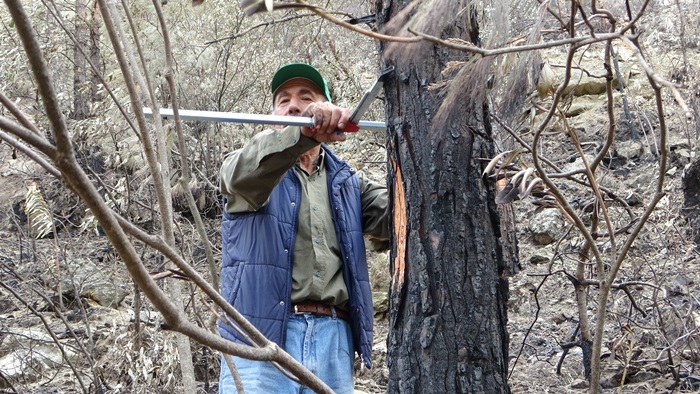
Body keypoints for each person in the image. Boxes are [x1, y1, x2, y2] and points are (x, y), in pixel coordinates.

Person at [218, 63, 390, 393]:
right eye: (283, 99)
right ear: (272, 114)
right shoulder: (249, 166)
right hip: (257, 340)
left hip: (333, 341)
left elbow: (400, 216)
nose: (293, 105)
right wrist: (300, 134)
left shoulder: (349, 183)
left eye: (305, 97)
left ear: (329, 112)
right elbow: (241, 175)